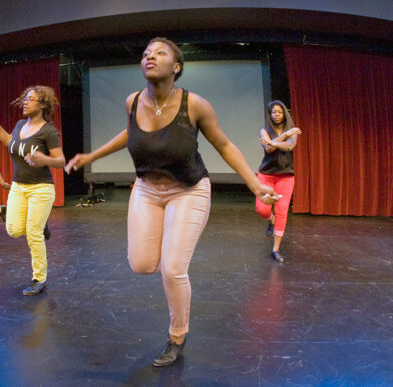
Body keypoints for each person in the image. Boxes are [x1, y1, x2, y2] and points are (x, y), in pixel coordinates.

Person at [65, 37, 279, 367]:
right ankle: (166, 256)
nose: (150, 57)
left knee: (173, 268)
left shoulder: (195, 105)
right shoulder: (132, 102)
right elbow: (130, 133)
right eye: (146, 53)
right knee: (142, 264)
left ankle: (177, 335)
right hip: (147, 190)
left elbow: (223, 144)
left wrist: (255, 184)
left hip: (188, 190)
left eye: (159, 53)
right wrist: (92, 155)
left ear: (176, 67)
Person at [0, 85, 65, 296]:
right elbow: (9, 142)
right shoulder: (19, 125)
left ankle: (39, 278)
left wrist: (44, 159)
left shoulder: (48, 132)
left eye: (30, 99)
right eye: (24, 99)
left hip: (41, 189)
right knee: (14, 230)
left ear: (42, 104)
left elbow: (61, 161)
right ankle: (40, 224)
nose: (25, 102)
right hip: (18, 186)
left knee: (33, 234)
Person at [255, 101, 301, 263]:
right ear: (270, 114)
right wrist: (282, 137)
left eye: (279, 112)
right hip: (266, 175)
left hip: (286, 177)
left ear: (284, 114)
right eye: (273, 112)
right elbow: (268, 149)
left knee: (282, 211)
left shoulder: (292, 131)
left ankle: (275, 249)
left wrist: (274, 142)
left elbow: (289, 147)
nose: (276, 115)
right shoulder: (264, 130)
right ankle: (270, 220)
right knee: (262, 209)